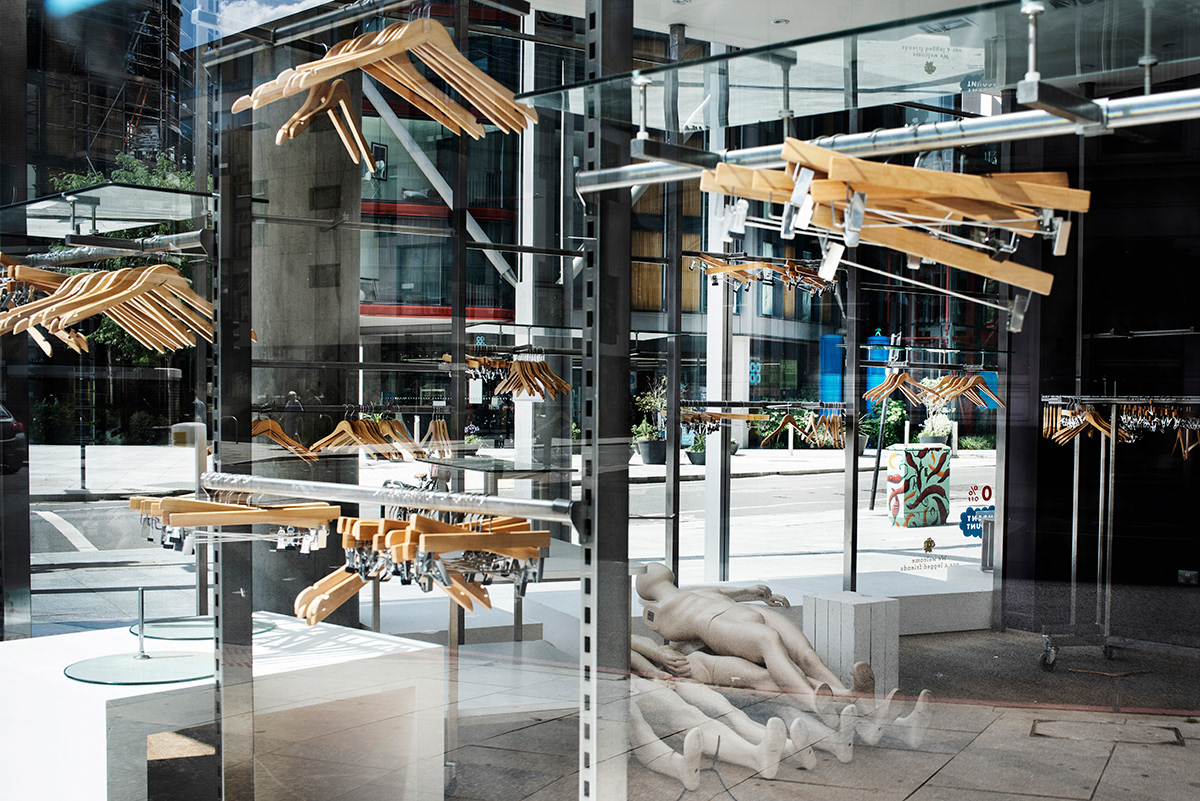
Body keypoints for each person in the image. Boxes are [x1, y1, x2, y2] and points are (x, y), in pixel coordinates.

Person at [635, 563, 874, 715]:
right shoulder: (657, 613)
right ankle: (813, 701)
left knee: (806, 654)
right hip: (720, 624)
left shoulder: (693, 592)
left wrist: (755, 592)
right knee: (769, 640)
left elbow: (727, 591)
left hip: (752, 615)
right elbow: (656, 633)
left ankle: (850, 695)